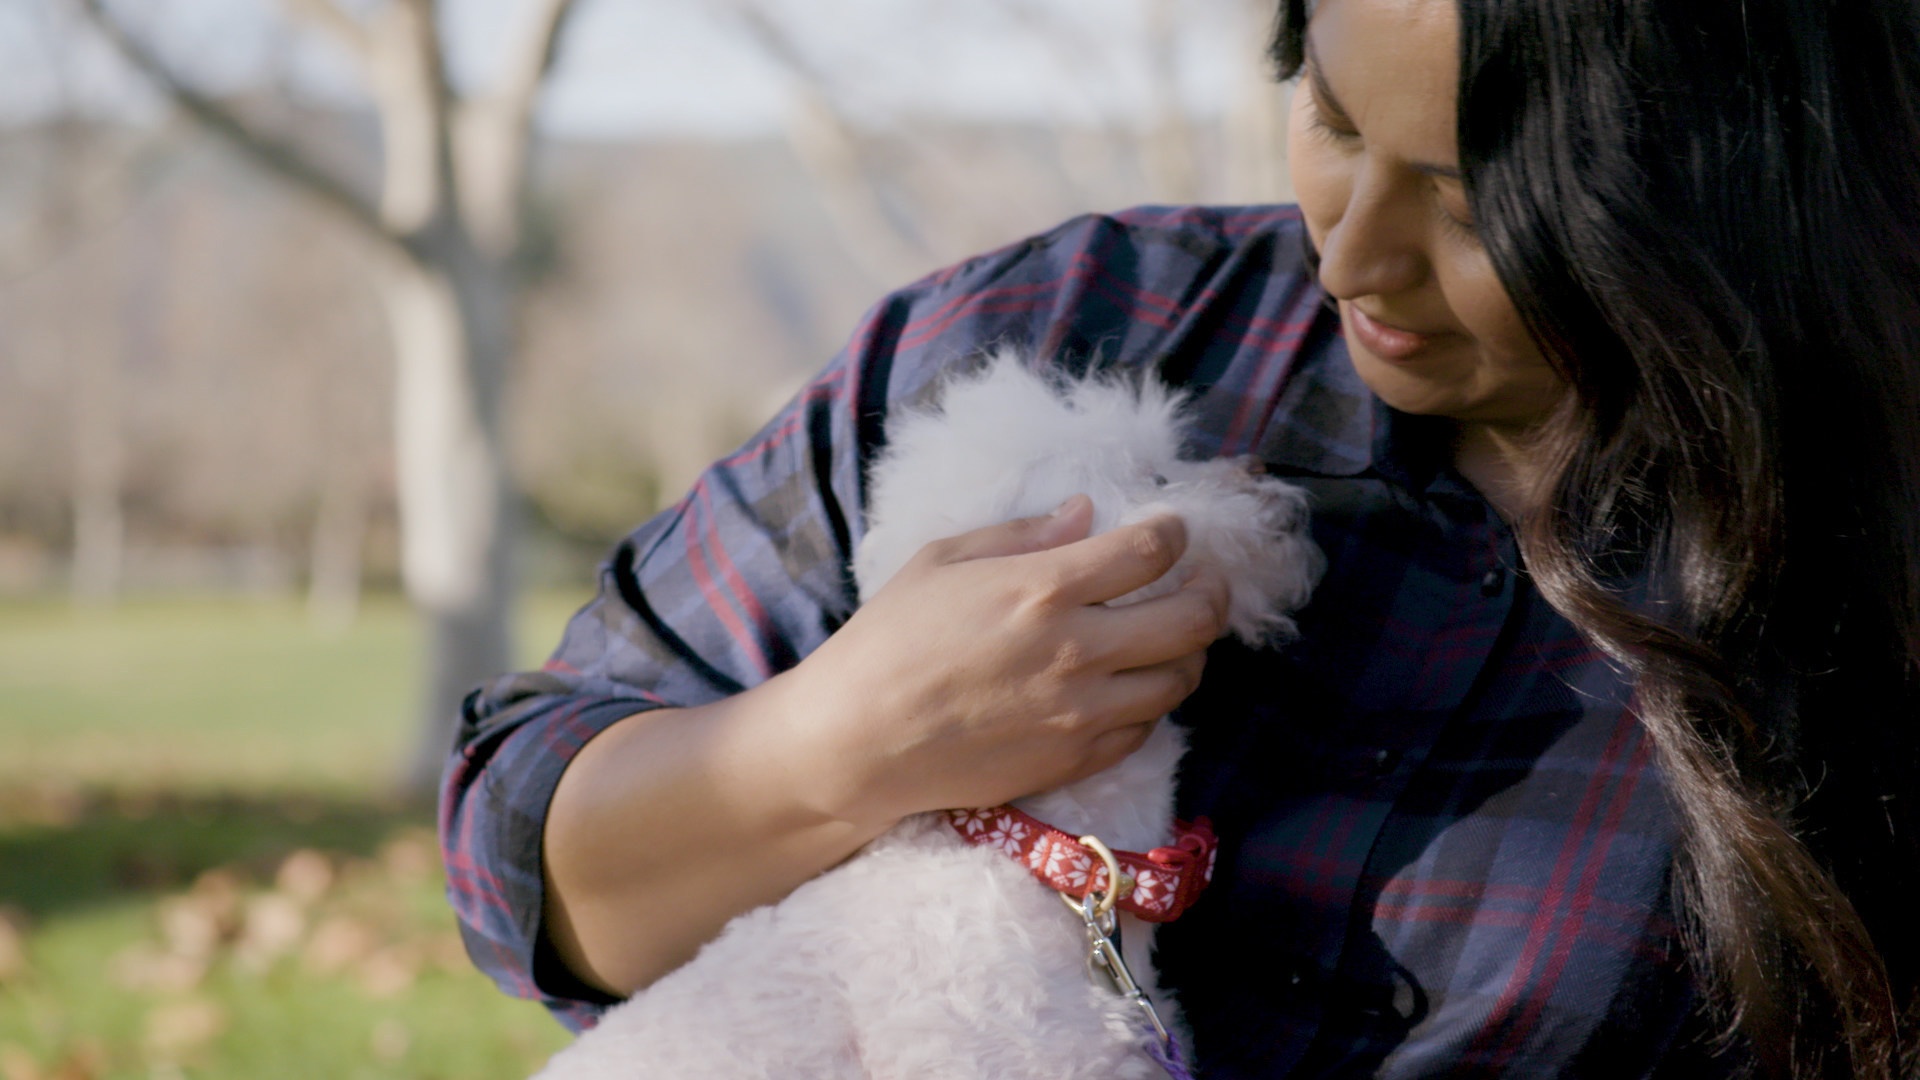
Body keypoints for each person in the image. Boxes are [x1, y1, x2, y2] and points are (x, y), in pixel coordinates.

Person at [440, 0, 1920, 1075]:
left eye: (1479, 210)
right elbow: (519, 859)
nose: (1350, 252)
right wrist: (835, 745)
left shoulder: (1870, 545)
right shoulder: (1065, 333)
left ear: (1734, 202)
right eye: (1333, 118)